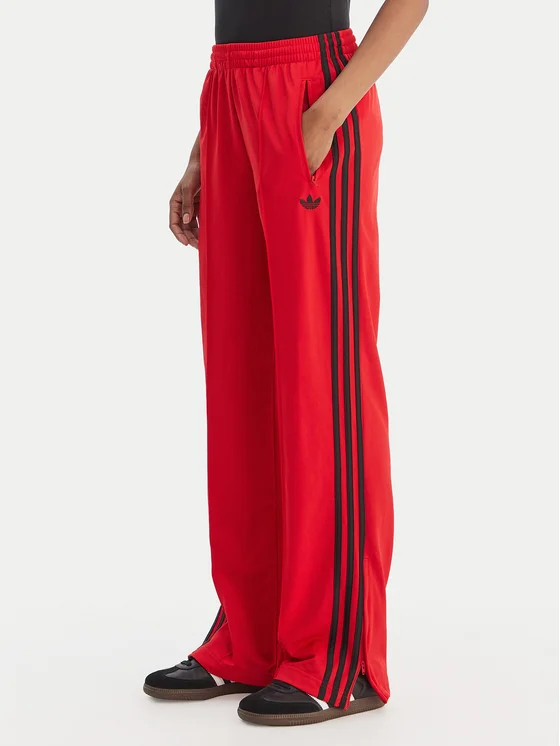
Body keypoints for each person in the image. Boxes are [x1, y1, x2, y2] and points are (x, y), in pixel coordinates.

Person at [144, 0, 428, 727]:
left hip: (314, 91)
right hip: (229, 92)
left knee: (322, 383)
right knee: (243, 380)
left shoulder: (323, 104)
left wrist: (329, 111)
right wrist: (205, 144)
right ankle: (252, 637)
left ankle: (340, 655)